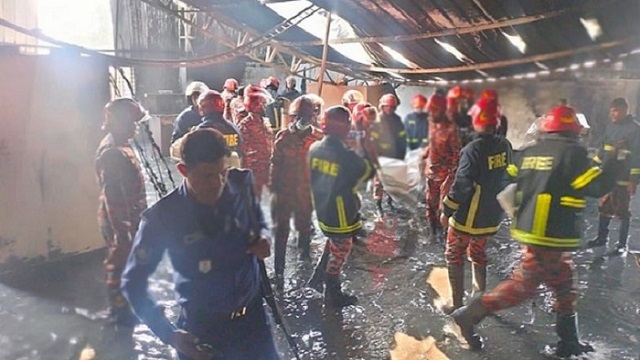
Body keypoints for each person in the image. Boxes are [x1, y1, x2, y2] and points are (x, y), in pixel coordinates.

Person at [449, 105, 621, 358]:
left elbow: (508, 177)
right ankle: (468, 316)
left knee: (564, 284)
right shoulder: (573, 154)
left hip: (533, 229)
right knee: (523, 286)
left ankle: (569, 342)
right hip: (550, 234)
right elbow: (596, 186)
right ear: (573, 131)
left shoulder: (530, 152)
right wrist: (614, 160)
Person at [121, 128, 279, 360]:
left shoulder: (240, 182)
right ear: (183, 170)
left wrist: (263, 239)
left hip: (253, 324)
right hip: (203, 331)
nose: (218, 183)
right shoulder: (162, 218)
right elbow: (134, 282)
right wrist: (170, 334)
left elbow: (258, 222)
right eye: (207, 175)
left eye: (222, 172)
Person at [440, 97, 514, 314]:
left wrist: (447, 210)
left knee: (454, 253)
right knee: (478, 252)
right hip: (491, 216)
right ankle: (478, 296)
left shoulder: (472, 149)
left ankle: (456, 303)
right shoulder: (505, 145)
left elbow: (462, 185)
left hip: (468, 217)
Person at [307, 106, 377, 307]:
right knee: (341, 250)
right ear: (346, 128)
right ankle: (333, 292)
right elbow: (367, 173)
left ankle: (317, 278)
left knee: (333, 244)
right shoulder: (346, 156)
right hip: (340, 214)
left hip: (322, 209)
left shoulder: (315, 148)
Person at [95, 97, 148, 326]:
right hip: (121, 220)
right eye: (131, 122)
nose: (135, 127)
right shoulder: (113, 153)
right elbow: (114, 198)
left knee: (128, 263)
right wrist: (123, 233)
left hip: (128, 217)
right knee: (119, 264)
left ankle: (126, 305)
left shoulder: (119, 144)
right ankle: (119, 313)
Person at [270, 95, 324, 289]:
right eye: (301, 114)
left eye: (307, 114)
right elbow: (275, 165)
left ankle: (305, 266)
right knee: (281, 231)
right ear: (294, 115)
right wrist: (274, 191)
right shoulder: (283, 137)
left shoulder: (318, 137)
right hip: (284, 192)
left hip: (306, 193)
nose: (304, 117)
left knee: (304, 228)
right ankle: (278, 271)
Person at [586, 97, 640, 254]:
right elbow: (602, 151)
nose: (613, 115)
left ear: (624, 110)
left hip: (623, 178)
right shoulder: (610, 127)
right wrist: (595, 167)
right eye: (611, 111)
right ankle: (601, 238)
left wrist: (633, 180)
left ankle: (622, 244)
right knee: (604, 207)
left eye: (615, 111)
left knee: (622, 211)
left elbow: (637, 157)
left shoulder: (635, 130)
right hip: (607, 175)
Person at [423, 93, 461, 242]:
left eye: (435, 110)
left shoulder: (451, 130)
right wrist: (425, 155)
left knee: (443, 207)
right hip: (431, 172)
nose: (432, 113)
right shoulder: (431, 123)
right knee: (430, 204)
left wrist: (450, 179)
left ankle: (444, 236)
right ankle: (433, 232)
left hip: (445, 175)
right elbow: (431, 144)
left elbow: (457, 156)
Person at [371, 94, 407, 215]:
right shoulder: (377, 121)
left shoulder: (397, 120)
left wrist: (402, 155)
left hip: (394, 157)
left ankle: (390, 202)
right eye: (388, 106)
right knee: (378, 183)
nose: (390, 109)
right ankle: (378, 206)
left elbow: (402, 138)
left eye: (392, 107)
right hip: (381, 158)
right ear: (382, 106)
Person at [237, 86, 275, 198]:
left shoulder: (264, 122)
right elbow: (241, 148)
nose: (265, 107)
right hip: (253, 169)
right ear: (256, 106)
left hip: (266, 167)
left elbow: (270, 141)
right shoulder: (245, 124)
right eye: (262, 104)